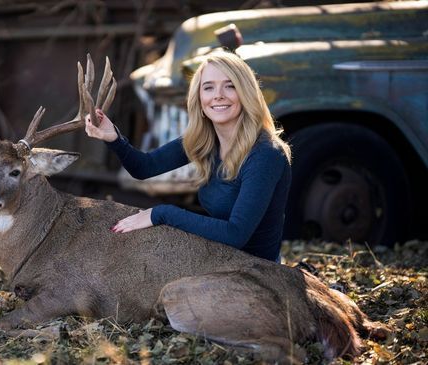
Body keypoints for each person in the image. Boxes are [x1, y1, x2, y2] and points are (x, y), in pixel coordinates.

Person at [85, 51, 292, 262]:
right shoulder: (206, 140)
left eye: (230, 86)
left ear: (246, 93)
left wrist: (160, 213)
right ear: (200, 98)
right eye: (208, 87)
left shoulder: (265, 155)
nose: (218, 95)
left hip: (258, 271)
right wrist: (113, 138)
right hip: (220, 257)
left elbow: (235, 234)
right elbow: (144, 167)